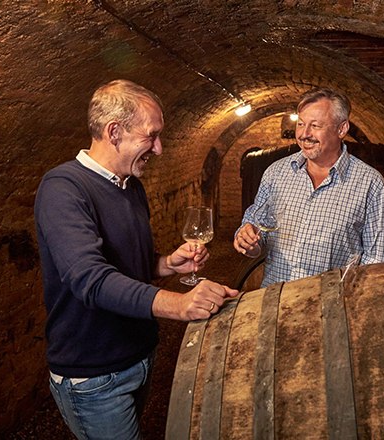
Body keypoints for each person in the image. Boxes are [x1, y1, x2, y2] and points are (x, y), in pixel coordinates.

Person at [34, 79, 238, 440]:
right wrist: (180, 305)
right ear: (114, 132)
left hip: (138, 357)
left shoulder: (130, 186)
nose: (158, 149)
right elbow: (91, 280)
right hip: (94, 375)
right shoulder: (63, 188)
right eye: (151, 136)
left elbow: (126, 268)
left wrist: (165, 265)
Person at [234, 88, 384, 287]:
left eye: (315, 125)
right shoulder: (276, 172)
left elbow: (376, 261)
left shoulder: (370, 183)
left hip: (332, 305)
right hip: (276, 298)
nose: (304, 134)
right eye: (300, 124)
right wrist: (249, 240)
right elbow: (259, 231)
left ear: (341, 129)